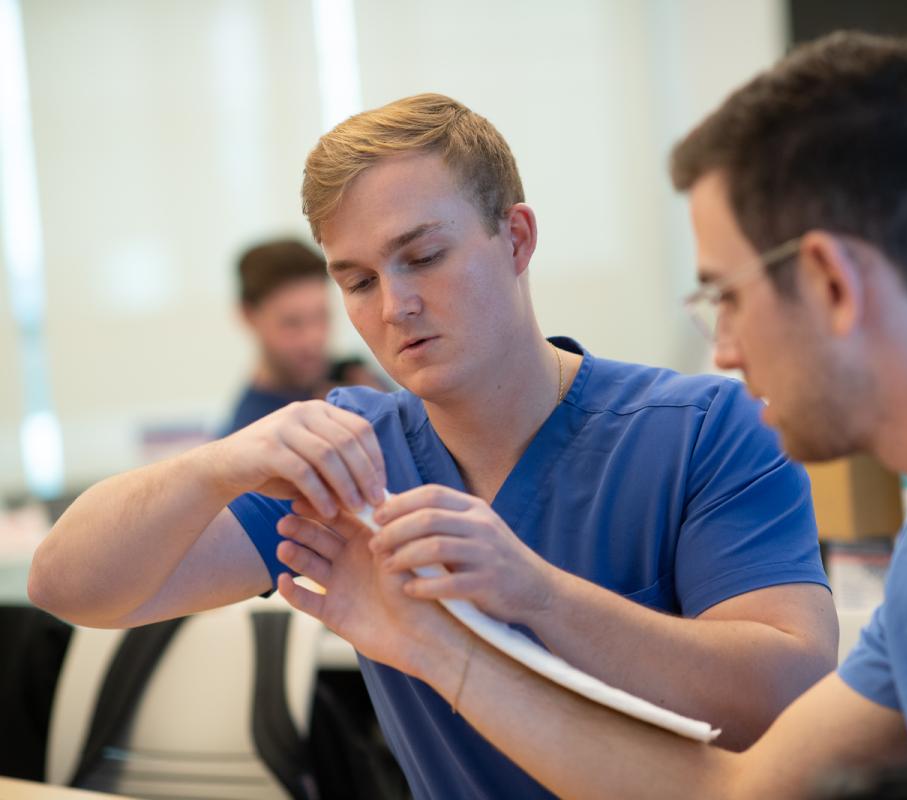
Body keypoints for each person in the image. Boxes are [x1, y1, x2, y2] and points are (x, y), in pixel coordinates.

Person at [267, 32, 907, 798]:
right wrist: (439, 650)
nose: (722, 351)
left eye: (726, 297)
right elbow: (738, 792)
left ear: (831, 282)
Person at [29, 94, 837, 798]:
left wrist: (537, 594)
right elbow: (70, 588)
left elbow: (788, 693)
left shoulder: (702, 428)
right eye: (359, 281)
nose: (397, 305)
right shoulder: (350, 457)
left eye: (423, 257)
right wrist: (215, 466)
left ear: (516, 239)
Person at [227, 238, 333, 432]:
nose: (313, 339)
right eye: (292, 323)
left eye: (321, 317)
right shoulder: (248, 435)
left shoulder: (357, 379)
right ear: (248, 316)